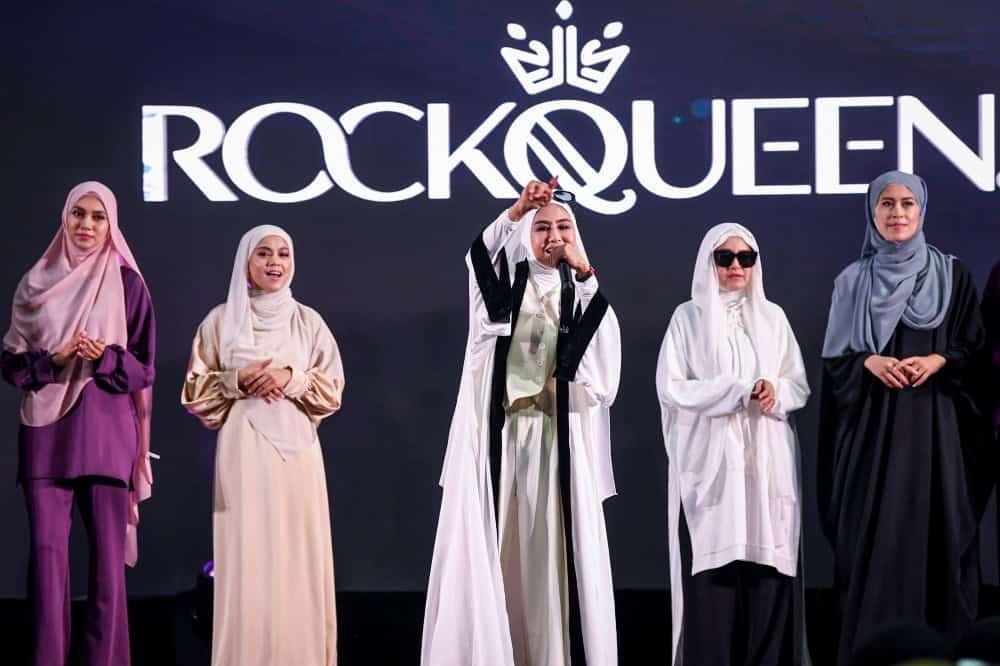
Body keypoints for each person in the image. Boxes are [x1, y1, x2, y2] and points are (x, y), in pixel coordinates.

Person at [421, 179, 622, 665]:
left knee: (550, 553)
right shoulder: (500, 292)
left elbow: (604, 377)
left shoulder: (583, 294)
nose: (554, 236)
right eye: (542, 227)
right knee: (500, 545)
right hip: (503, 439)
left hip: (556, 443)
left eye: (563, 227)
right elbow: (478, 257)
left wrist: (585, 275)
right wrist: (516, 209)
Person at [818, 170, 990, 664]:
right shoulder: (853, 281)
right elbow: (834, 366)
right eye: (887, 203)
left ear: (922, 210)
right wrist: (867, 362)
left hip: (936, 434)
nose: (897, 213)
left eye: (907, 203)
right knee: (872, 539)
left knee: (940, 534)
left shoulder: (952, 275)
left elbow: (974, 350)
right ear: (872, 212)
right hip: (873, 436)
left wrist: (940, 360)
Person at [2, 181, 155, 666]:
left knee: (108, 568)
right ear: (65, 217)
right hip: (46, 437)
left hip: (106, 434)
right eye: (78, 214)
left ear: (112, 224)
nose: (86, 225)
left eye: (97, 217)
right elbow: (11, 365)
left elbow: (144, 368)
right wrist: (54, 360)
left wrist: (105, 357)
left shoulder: (127, 283)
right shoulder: (35, 283)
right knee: (47, 563)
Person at [181, 225, 344, 666]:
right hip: (244, 453)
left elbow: (332, 391)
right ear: (245, 262)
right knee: (247, 557)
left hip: (298, 456)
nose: (274, 262)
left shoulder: (308, 322)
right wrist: (237, 380)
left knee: (298, 555)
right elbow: (194, 393)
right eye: (264, 253)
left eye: (283, 254)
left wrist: (291, 378)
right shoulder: (221, 320)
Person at [656, 222, 810, 665]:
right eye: (725, 258)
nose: (737, 266)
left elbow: (797, 384)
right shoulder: (688, 318)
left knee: (767, 573)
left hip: (766, 465)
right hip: (713, 469)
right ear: (710, 263)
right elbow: (673, 387)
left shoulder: (773, 317)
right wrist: (738, 391)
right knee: (714, 578)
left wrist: (774, 391)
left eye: (746, 257)